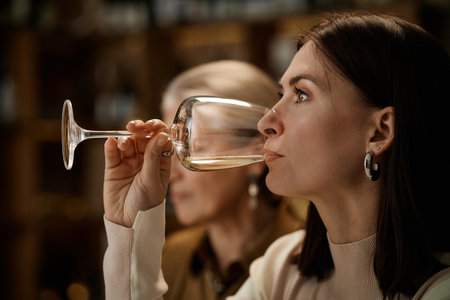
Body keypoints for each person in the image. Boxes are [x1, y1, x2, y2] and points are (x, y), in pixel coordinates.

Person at [102, 11, 450, 300]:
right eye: (281, 93)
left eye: (300, 95)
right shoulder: (282, 271)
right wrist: (132, 222)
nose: (266, 121)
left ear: (379, 131)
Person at [160, 61, 302, 300]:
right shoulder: (172, 256)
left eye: (195, 148)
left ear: (259, 150)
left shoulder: (305, 258)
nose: (172, 175)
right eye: (171, 151)